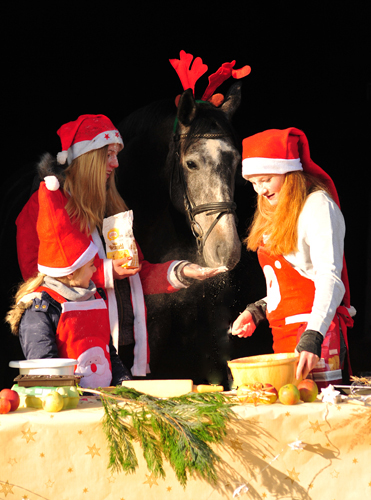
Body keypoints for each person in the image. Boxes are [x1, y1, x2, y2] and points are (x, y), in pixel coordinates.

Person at [16, 114, 226, 377]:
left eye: (117, 154)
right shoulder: (45, 206)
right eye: (108, 154)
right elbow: (40, 281)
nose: (115, 163)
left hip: (125, 348)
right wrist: (105, 271)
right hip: (80, 351)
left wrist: (181, 271)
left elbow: (137, 272)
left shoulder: (112, 208)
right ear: (87, 157)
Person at [231, 128, 355, 381]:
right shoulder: (274, 211)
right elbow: (290, 284)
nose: (260, 190)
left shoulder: (317, 206)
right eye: (253, 183)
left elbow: (329, 279)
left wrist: (313, 336)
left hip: (316, 332)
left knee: (319, 413)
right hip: (284, 335)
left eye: (265, 179)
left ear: (288, 171)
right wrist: (257, 311)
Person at [7, 177, 132, 388]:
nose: (95, 270)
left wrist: (126, 386)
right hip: (67, 406)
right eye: (91, 265)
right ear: (70, 274)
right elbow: (45, 370)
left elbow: (109, 353)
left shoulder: (94, 296)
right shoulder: (40, 308)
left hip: (104, 401)